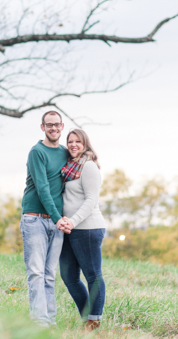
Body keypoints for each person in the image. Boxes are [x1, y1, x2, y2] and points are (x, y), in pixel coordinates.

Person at [20, 110, 73, 327]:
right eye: (48, 125)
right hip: (34, 219)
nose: (53, 128)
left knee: (50, 274)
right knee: (36, 273)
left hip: (56, 221)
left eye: (56, 125)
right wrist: (58, 217)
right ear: (43, 127)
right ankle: (39, 323)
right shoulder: (37, 152)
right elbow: (42, 188)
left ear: (62, 127)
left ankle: (50, 322)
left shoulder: (65, 152)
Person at [57, 128, 107, 332]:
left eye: (78, 141)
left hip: (87, 228)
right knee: (69, 277)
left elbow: (91, 200)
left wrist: (73, 221)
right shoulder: (68, 168)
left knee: (93, 275)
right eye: (70, 142)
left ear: (85, 144)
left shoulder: (88, 167)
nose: (73, 145)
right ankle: (86, 317)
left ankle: (93, 321)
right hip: (69, 229)